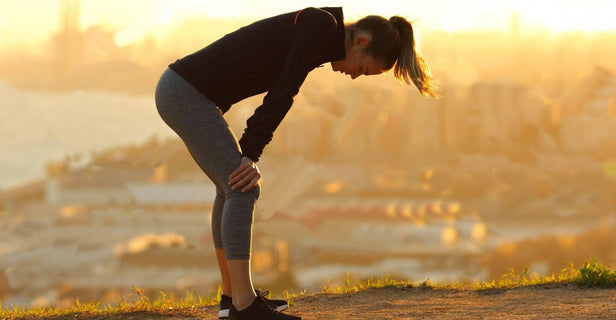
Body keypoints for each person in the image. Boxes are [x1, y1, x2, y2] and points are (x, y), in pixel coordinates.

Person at [154, 6, 437, 320]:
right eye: (364, 69)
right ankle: (243, 306)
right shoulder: (319, 26)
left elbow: (280, 87)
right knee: (242, 188)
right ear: (361, 42)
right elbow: (284, 90)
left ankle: (232, 299)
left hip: (185, 92)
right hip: (186, 94)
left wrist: (248, 151)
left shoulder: (320, 33)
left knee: (230, 187)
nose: (355, 76)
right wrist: (250, 154)